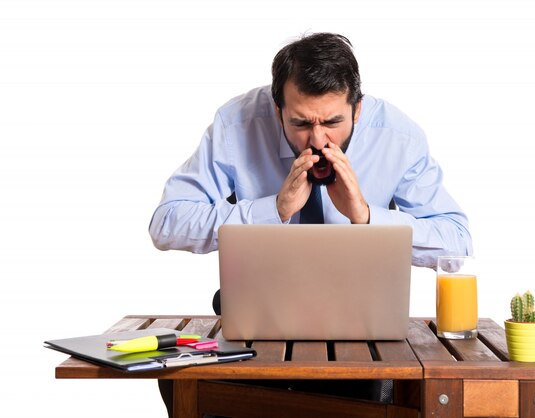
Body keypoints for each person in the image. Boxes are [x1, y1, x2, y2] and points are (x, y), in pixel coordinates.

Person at [150, 32, 472, 417]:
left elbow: (457, 243)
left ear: (357, 109)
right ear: (276, 109)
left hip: (359, 321)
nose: (317, 139)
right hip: (256, 316)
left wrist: (366, 217)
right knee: (178, 378)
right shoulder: (237, 124)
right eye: (301, 122)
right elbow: (166, 222)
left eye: (333, 121)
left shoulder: (397, 138)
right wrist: (273, 210)